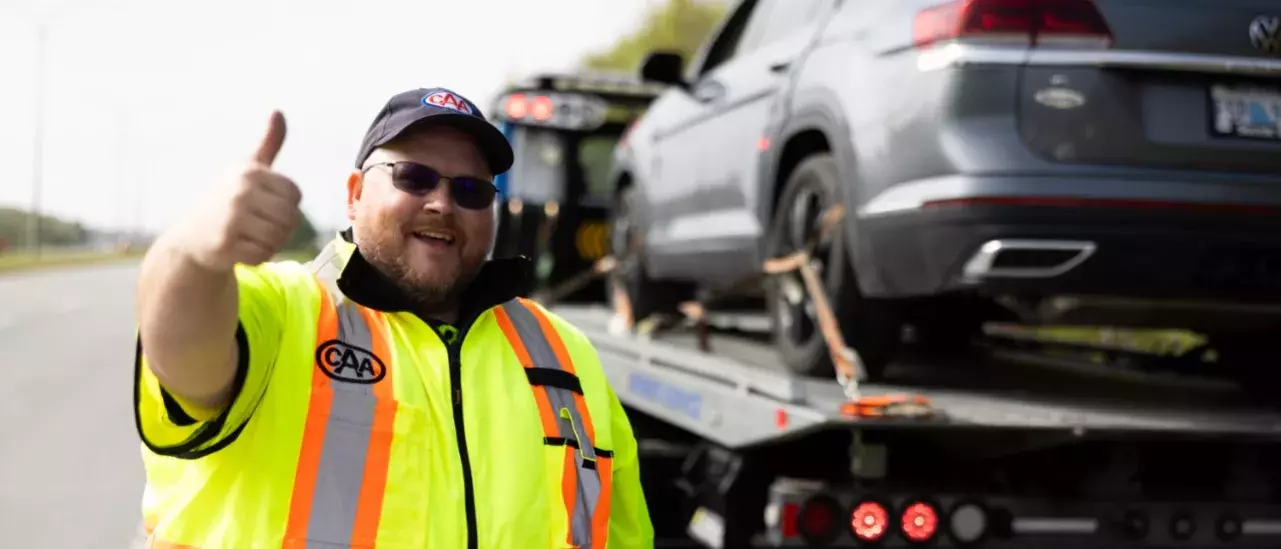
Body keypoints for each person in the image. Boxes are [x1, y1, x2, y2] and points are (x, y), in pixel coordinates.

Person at [132, 87, 654, 548]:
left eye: (471, 190)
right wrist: (192, 254)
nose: (442, 203)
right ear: (355, 195)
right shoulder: (287, 309)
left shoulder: (565, 351)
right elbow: (184, 355)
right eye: (414, 178)